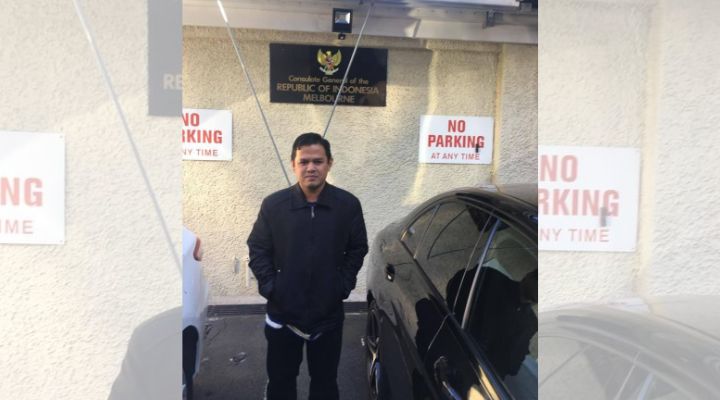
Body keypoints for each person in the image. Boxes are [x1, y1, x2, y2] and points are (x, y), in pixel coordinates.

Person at [247, 132, 368, 400]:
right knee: (281, 384)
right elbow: (257, 248)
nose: (311, 167)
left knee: (325, 384)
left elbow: (358, 248)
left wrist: (342, 285)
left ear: (329, 163)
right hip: (282, 316)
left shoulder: (347, 205)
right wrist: (272, 287)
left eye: (318, 161)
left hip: (328, 316)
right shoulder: (274, 205)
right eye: (304, 161)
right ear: (293, 164)